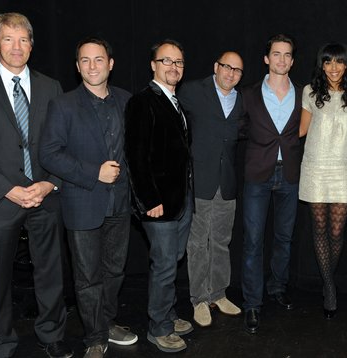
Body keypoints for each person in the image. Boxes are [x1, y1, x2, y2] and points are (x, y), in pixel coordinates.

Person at [0, 12, 72, 358]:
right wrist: (8, 189)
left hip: (45, 193)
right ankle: (1, 342)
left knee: (51, 273)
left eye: (23, 39)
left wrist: (49, 184)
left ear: (32, 45)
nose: (17, 47)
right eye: (9, 39)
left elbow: (63, 144)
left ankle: (52, 335)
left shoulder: (51, 86)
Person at [40, 37, 137, 358]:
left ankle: (107, 322)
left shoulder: (127, 101)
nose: (92, 66)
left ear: (110, 63)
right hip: (82, 203)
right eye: (85, 60)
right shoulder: (63, 104)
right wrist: (93, 172)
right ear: (77, 65)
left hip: (120, 204)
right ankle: (95, 336)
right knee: (87, 277)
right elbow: (49, 154)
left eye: (99, 60)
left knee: (115, 271)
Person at [124, 39, 193, 353]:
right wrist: (149, 200)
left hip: (180, 200)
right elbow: (136, 158)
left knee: (173, 260)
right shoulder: (143, 102)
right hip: (159, 203)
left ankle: (166, 312)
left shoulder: (175, 102)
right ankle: (159, 328)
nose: (173, 67)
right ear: (153, 65)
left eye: (178, 62)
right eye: (167, 61)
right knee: (165, 264)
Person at [241, 34, 302, 334]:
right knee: (253, 240)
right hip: (257, 175)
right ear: (266, 59)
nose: (281, 59)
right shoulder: (249, 95)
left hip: (290, 174)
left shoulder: (304, 95)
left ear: (292, 60)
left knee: (284, 237)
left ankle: (277, 287)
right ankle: (252, 302)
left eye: (286, 55)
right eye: (275, 54)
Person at [177, 51, 244, 327]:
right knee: (197, 243)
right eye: (227, 67)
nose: (230, 73)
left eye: (237, 70)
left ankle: (218, 293)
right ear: (216, 66)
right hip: (200, 180)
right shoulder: (193, 91)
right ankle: (199, 299)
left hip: (227, 182)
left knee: (221, 241)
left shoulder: (242, 99)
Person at [299, 42, 347, 319]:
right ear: (321, 65)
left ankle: (327, 281)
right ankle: (330, 289)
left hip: (344, 169)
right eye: (327, 62)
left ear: (346, 64)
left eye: (338, 62)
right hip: (315, 168)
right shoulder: (310, 92)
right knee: (319, 228)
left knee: (336, 233)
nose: (333, 68)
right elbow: (301, 129)